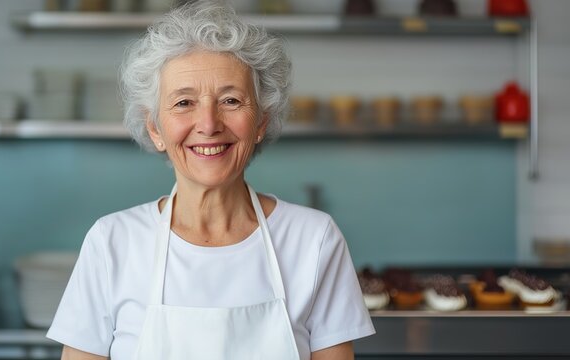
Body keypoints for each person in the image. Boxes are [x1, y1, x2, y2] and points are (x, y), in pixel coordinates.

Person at [46, 2, 375, 359]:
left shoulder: (313, 240)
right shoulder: (112, 243)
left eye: (231, 100)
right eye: (184, 102)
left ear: (261, 122)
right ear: (155, 127)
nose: (208, 123)